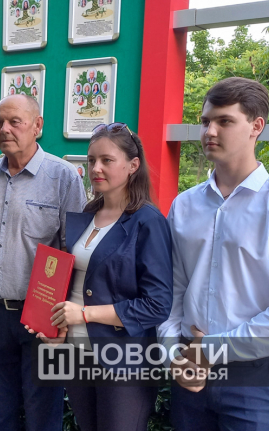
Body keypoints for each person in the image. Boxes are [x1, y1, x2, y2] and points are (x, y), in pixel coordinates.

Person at [157, 77, 269, 430]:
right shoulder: (184, 206)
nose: (210, 131)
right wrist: (174, 352)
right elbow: (172, 289)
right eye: (205, 121)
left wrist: (211, 348)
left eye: (224, 121)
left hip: (255, 380)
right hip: (189, 371)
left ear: (256, 126)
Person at [28, 123, 173, 431]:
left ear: (133, 165)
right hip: (76, 353)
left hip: (123, 360)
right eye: (92, 159)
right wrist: (56, 325)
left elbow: (157, 305)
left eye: (107, 160)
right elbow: (74, 283)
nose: (96, 168)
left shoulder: (148, 222)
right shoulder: (86, 214)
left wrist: (84, 314)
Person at [0, 94, 86, 431]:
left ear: (37, 126)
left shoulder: (64, 177)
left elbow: (74, 252)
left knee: (42, 415)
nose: (4, 129)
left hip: (44, 317)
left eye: (14, 121)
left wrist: (65, 319)